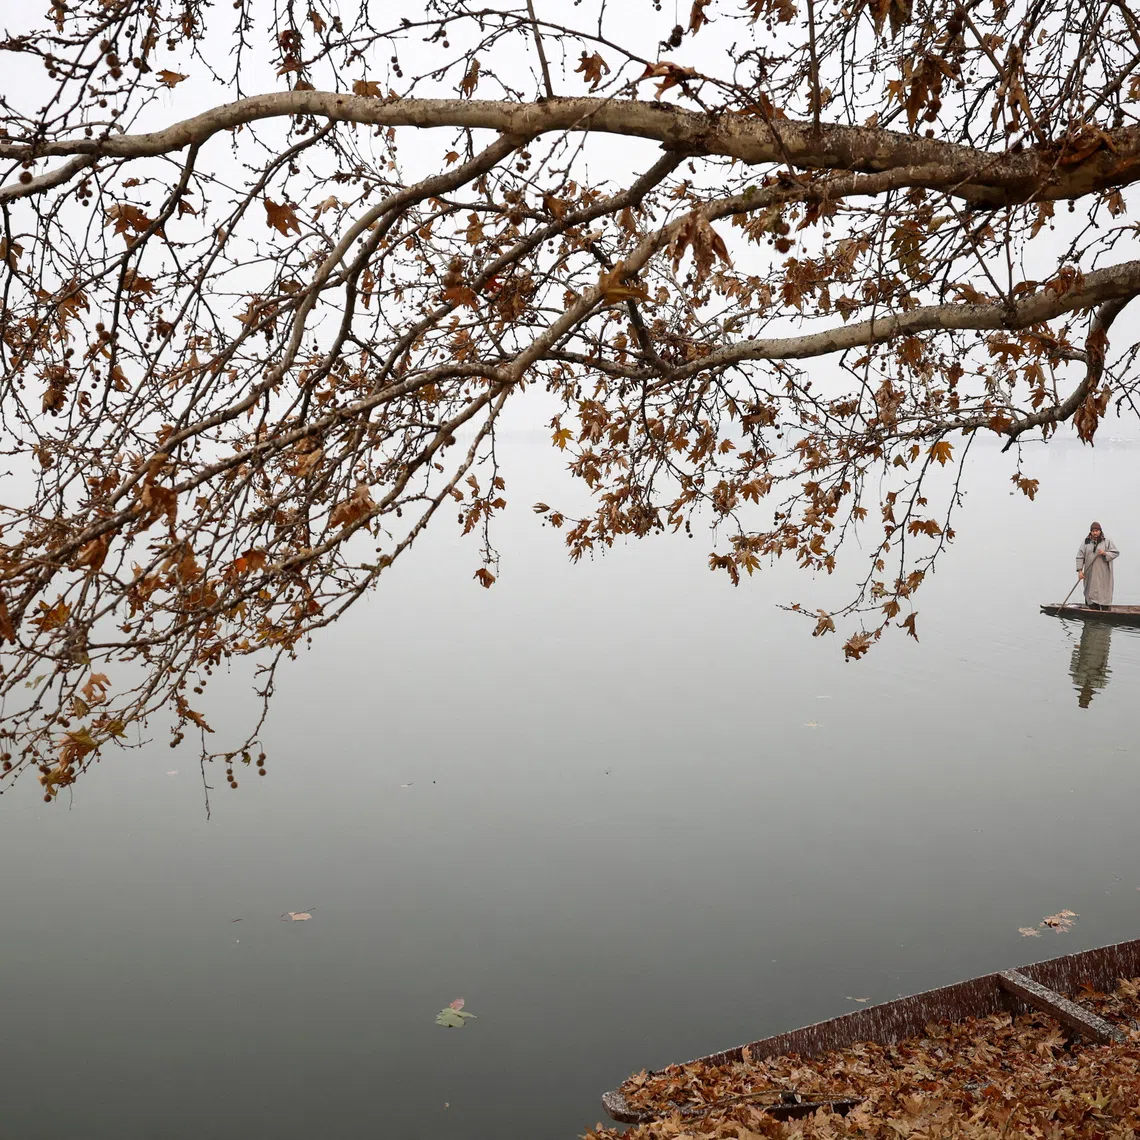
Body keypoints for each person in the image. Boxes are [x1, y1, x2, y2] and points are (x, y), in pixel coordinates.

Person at [1076, 521, 1120, 610]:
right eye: (1093, 531)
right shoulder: (1086, 542)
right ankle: (1092, 610)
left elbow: (1115, 553)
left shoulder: (1107, 541)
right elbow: (1080, 556)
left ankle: (1105, 612)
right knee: (1090, 593)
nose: (1095, 533)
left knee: (1104, 593)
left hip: (1104, 574)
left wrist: (1105, 553)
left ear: (1100, 531)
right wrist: (1080, 571)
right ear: (1091, 532)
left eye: (1097, 531)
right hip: (1090, 574)